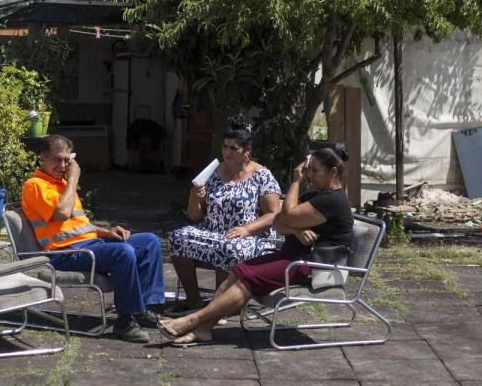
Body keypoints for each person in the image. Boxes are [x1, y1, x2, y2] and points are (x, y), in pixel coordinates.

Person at [158, 146, 354, 345]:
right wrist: (295, 230)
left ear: (334, 172)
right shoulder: (316, 196)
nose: (310, 176)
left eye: (315, 171)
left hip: (310, 266)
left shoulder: (333, 201)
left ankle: (190, 321)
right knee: (237, 270)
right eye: (309, 170)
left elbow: (287, 215)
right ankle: (204, 330)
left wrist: (296, 182)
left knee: (247, 281)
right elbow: (278, 223)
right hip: (291, 258)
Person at [21, 134, 165, 343]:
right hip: (63, 254)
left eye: (66, 160)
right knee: (123, 252)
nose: (62, 165)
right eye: (57, 159)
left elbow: (78, 224)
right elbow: (62, 213)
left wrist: (105, 232)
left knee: (149, 242)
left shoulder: (62, 185)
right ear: (42, 158)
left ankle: (142, 308)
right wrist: (73, 179)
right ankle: (125, 322)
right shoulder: (35, 185)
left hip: (89, 244)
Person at [166, 120, 282, 315]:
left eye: (233, 148)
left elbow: (274, 214)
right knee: (178, 237)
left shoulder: (262, 175)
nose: (227, 152)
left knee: (227, 245)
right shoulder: (213, 171)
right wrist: (195, 196)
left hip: (249, 236)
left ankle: (218, 307)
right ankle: (193, 300)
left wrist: (246, 229)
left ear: (247, 151)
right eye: (225, 147)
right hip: (211, 231)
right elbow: (195, 217)